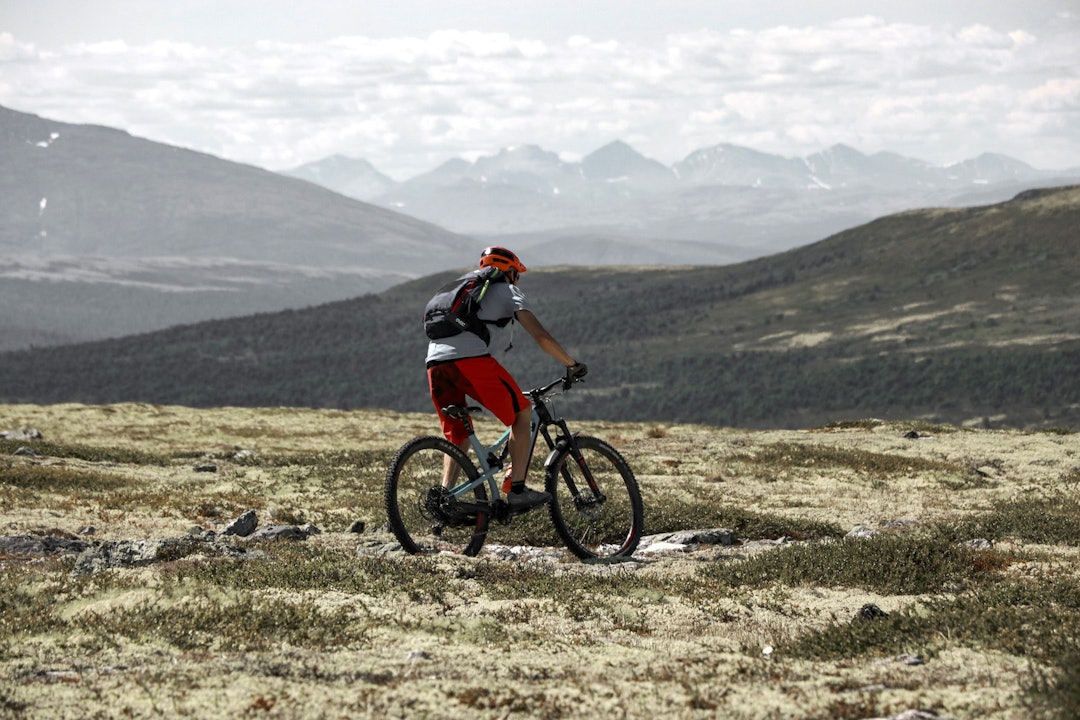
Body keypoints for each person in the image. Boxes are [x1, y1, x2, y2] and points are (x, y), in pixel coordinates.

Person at [426, 246, 586, 510]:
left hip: (434, 361)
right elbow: (541, 336)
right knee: (522, 413)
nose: (517, 280)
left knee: (458, 434)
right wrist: (572, 364)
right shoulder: (507, 290)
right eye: (517, 275)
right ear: (510, 272)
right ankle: (518, 490)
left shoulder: (462, 286)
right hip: (470, 360)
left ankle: (445, 499)